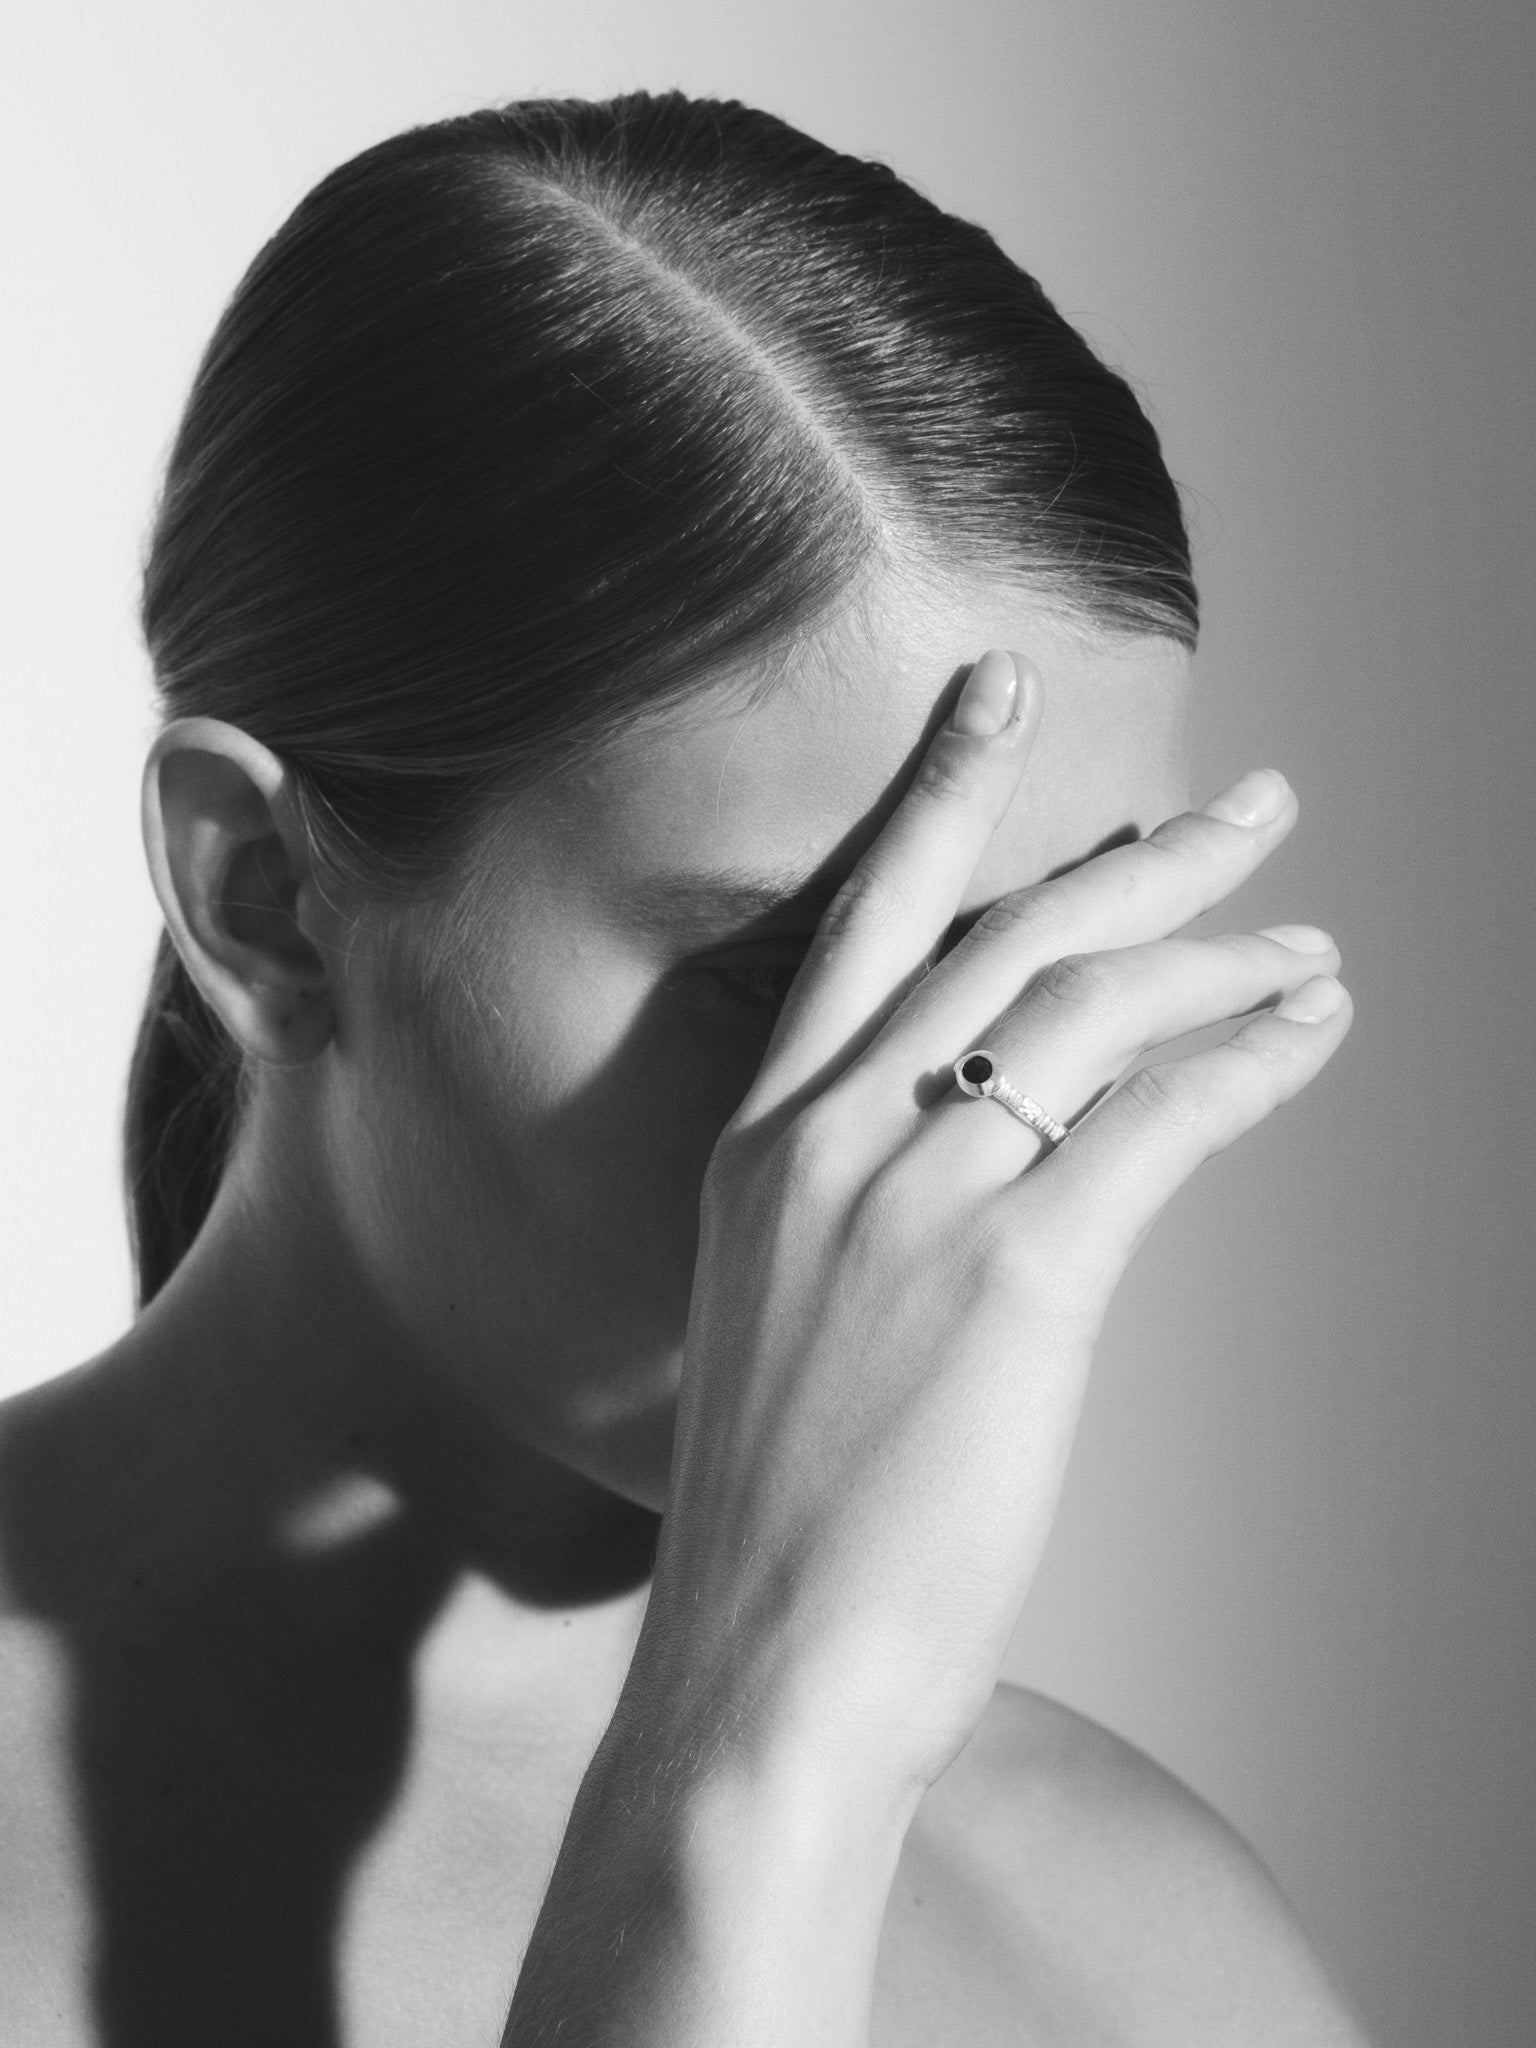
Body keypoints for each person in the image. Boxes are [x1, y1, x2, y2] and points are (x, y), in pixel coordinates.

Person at [0, 91, 1365, 2047]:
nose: (926, 1150)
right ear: (265, 898)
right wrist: (764, 1762)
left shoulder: (1121, 1927)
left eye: (1053, 971)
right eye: (802, 975)